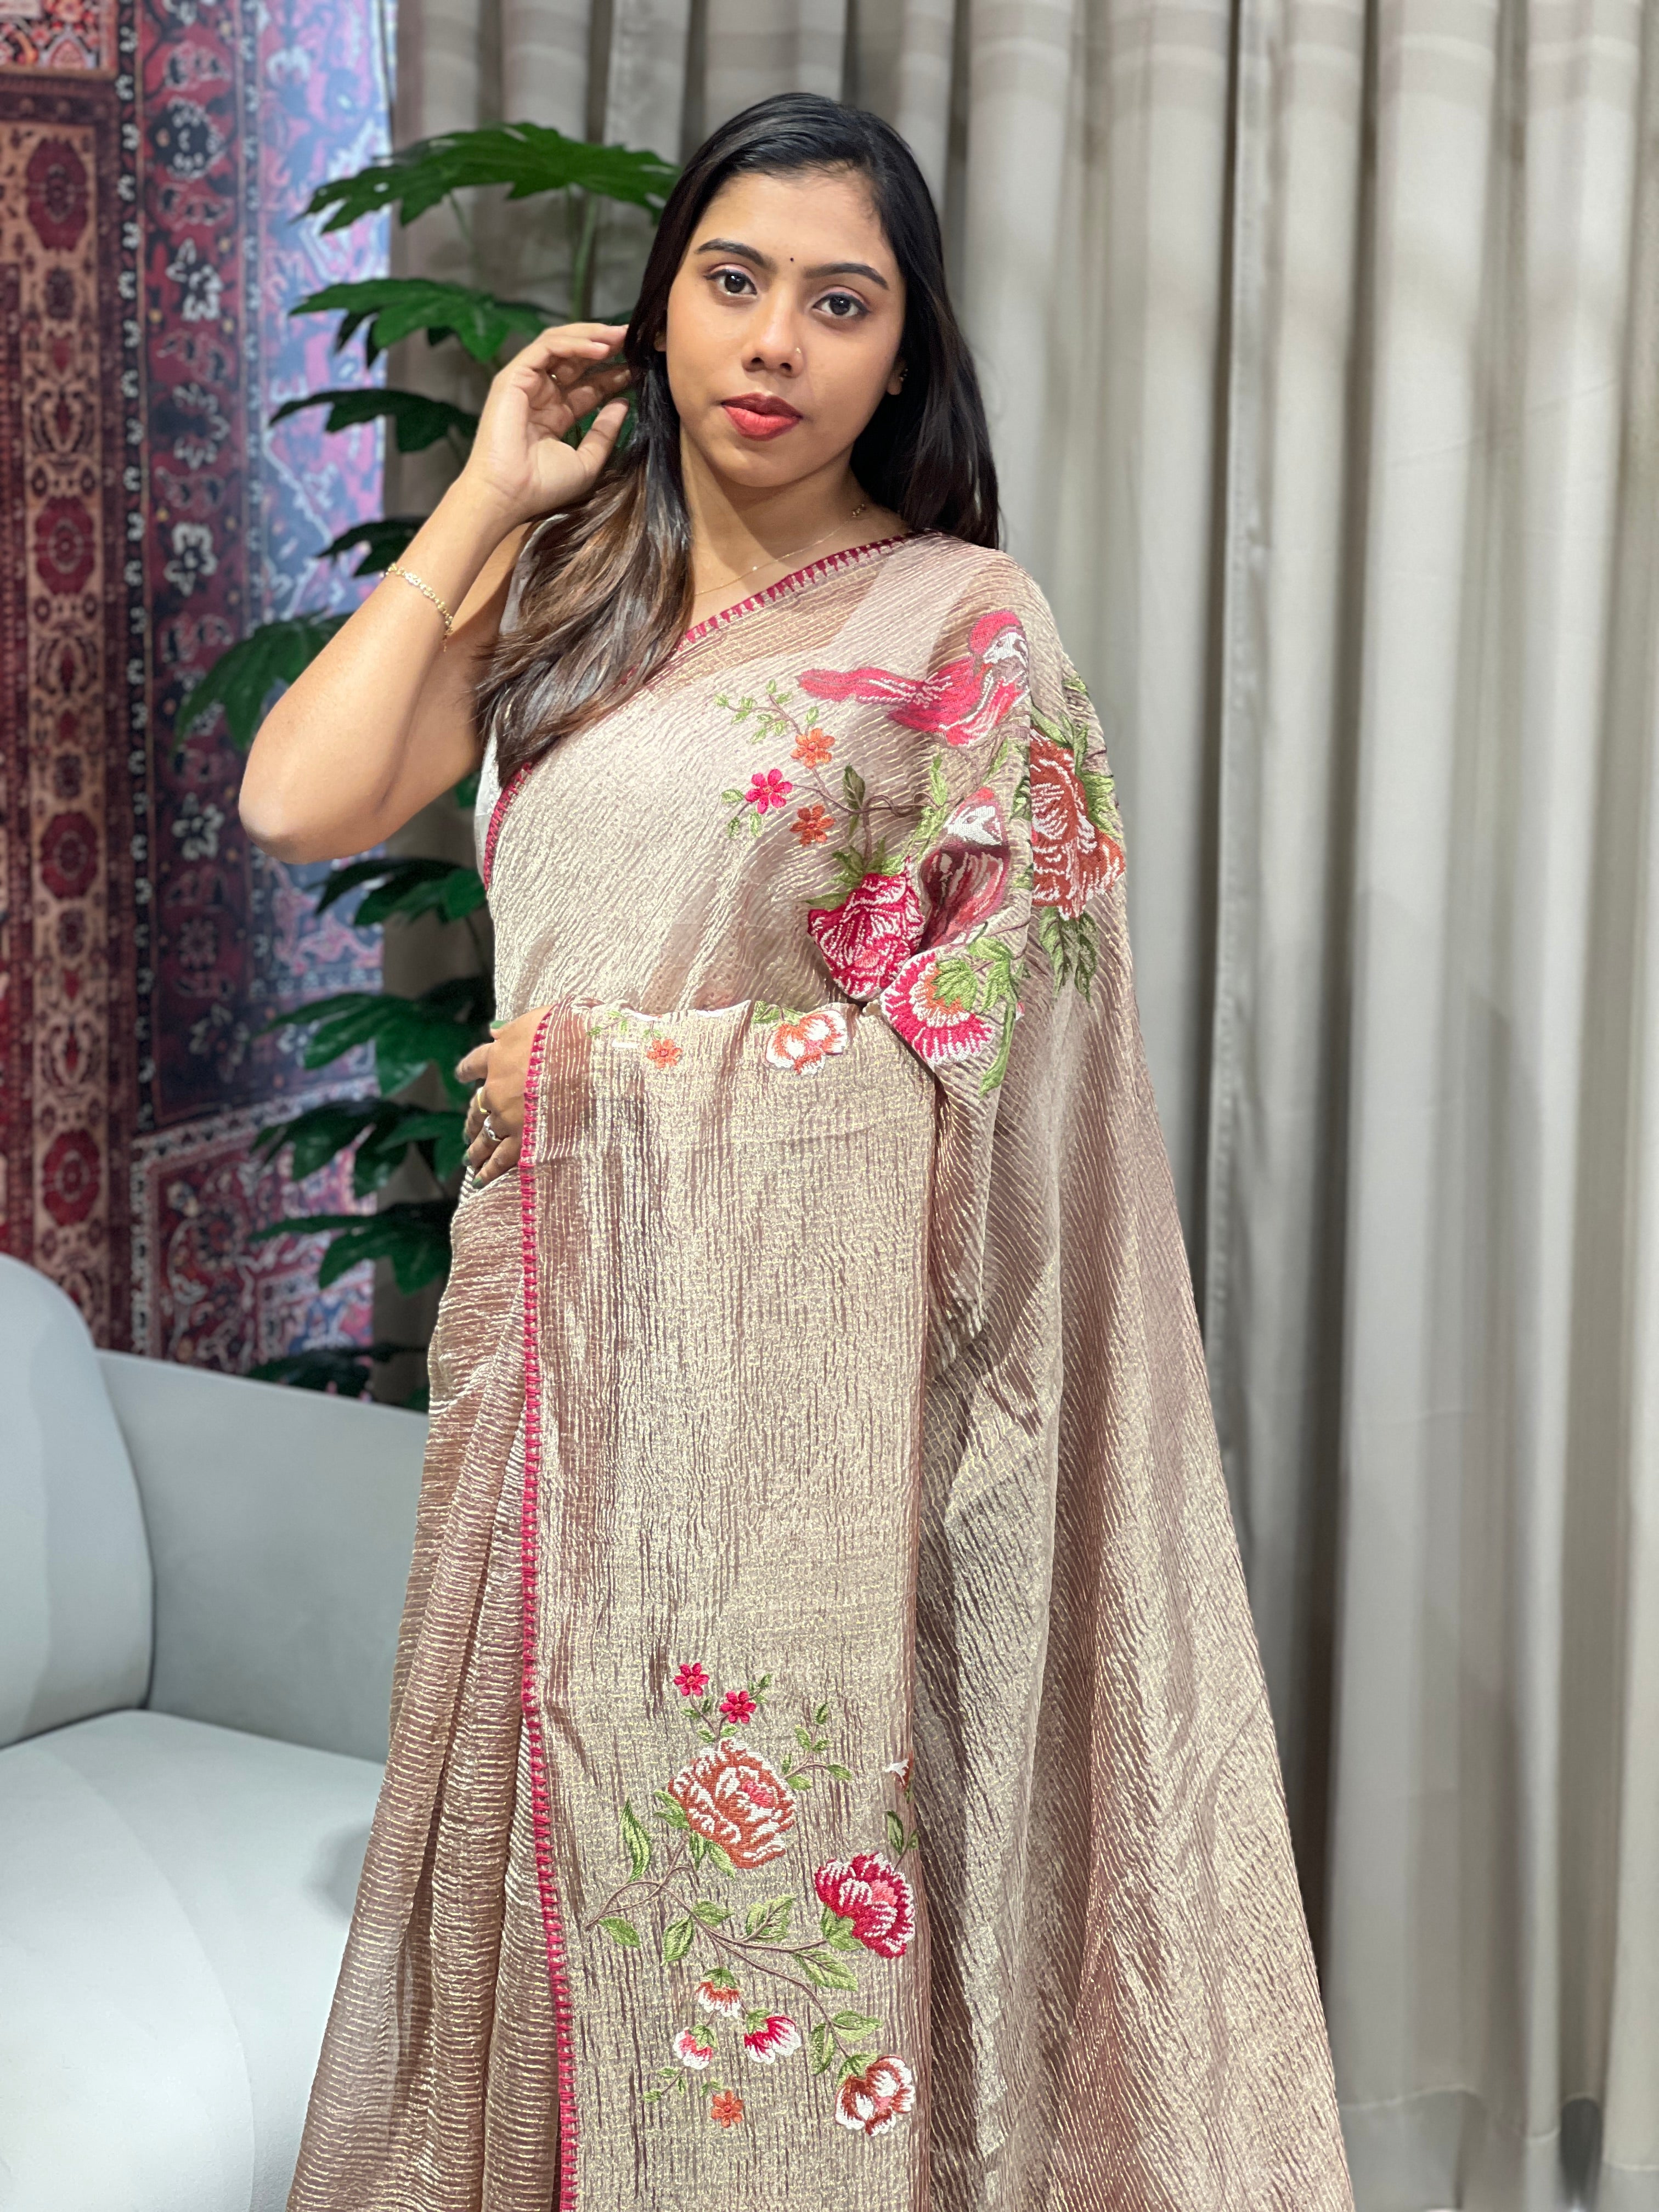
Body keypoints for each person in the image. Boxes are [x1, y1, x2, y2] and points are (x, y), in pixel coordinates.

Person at [241, 91, 1354, 2212]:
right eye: (732, 283)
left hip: (809, 1415)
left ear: (904, 350)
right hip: (557, 1374)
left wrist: (614, 1085)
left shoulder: (962, 629)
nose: (774, 345)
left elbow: (998, 1048)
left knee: (766, 1916)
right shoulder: (576, 583)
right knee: (542, 1893)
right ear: (657, 307)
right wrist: (486, 491)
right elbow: (301, 797)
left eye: (842, 305)